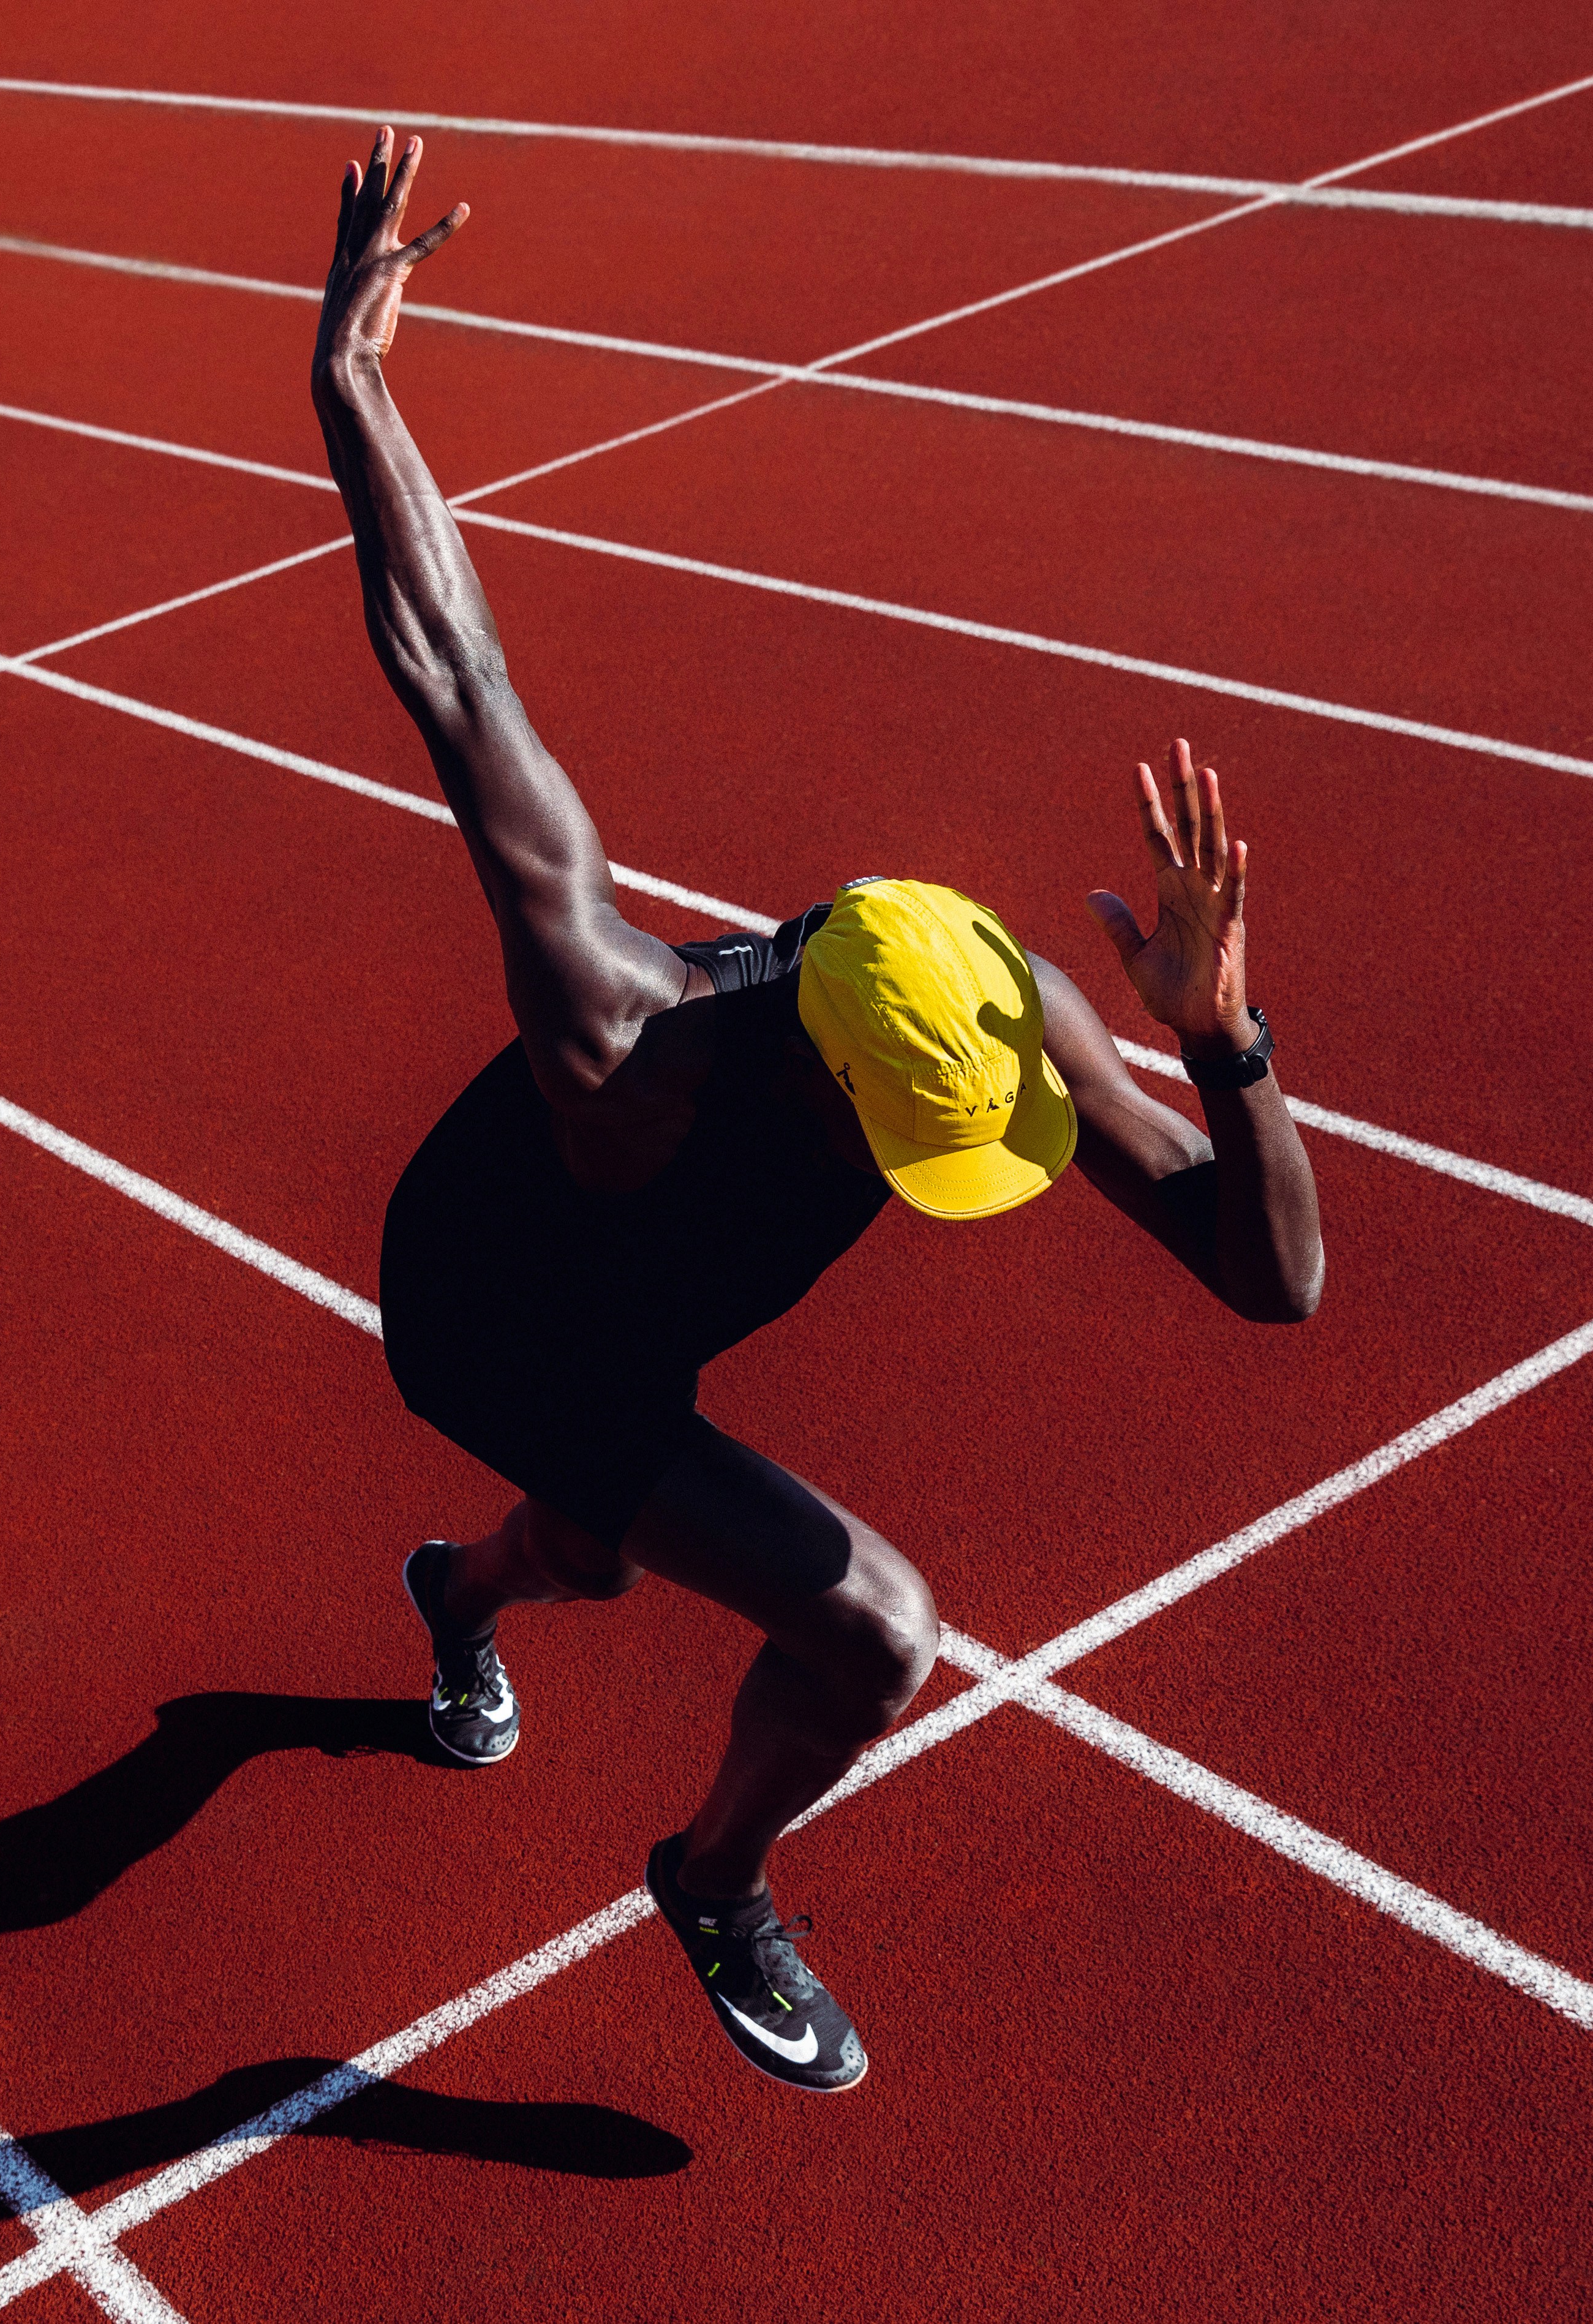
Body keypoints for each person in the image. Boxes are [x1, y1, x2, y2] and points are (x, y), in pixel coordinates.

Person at [312, 131, 1324, 2096]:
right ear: (815, 1073)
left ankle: (470, 1601)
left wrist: (1227, 1041)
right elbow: (455, 668)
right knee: (878, 1627)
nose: (959, 1173)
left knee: (587, 1556)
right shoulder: (620, 1031)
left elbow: (1269, 1276)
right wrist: (351, 378)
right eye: (913, 1151)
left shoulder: (998, 1012)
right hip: (483, 1305)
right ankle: (707, 1878)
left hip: (640, 1327)